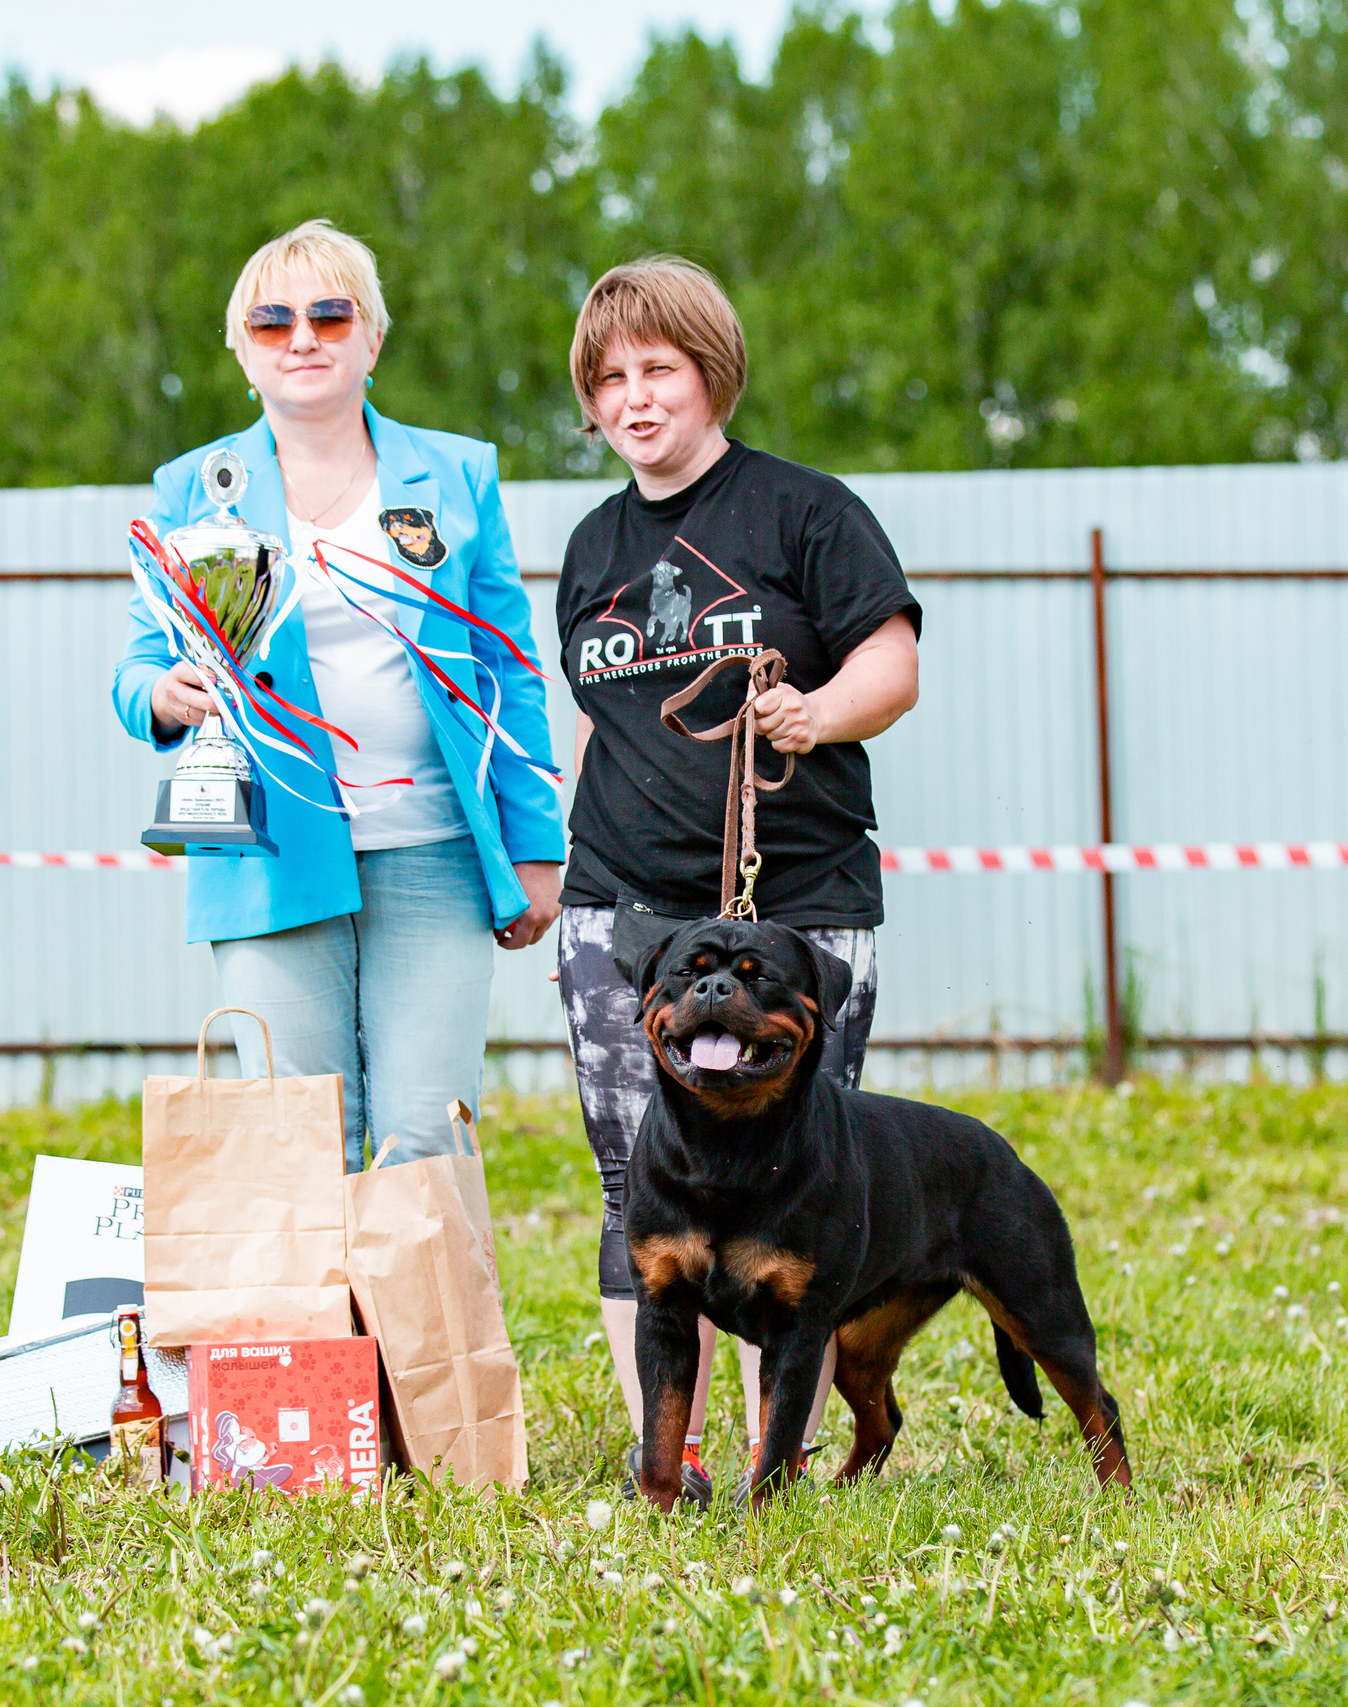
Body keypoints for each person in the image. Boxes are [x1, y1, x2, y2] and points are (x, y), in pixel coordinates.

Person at [554, 256, 922, 1504]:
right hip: (623, 915)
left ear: (711, 374)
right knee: (635, 1188)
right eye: (610, 379)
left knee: (802, 1190)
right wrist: (565, 893)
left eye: (658, 369)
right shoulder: (592, 545)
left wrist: (816, 713)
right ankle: (668, 1460)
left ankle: (780, 1459)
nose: (634, 399)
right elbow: (601, 721)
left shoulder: (805, 512)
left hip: (797, 907)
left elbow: (891, 665)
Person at [113, 219, 563, 1169]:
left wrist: (535, 848)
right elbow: (137, 667)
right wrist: (162, 693)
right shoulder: (192, 487)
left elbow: (509, 670)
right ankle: (311, 1283)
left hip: (436, 848)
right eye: (272, 322)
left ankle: (422, 1283)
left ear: (374, 339)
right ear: (242, 351)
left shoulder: (458, 474)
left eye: (329, 314)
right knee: (298, 1144)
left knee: (426, 1137)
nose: (303, 338)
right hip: (271, 853)